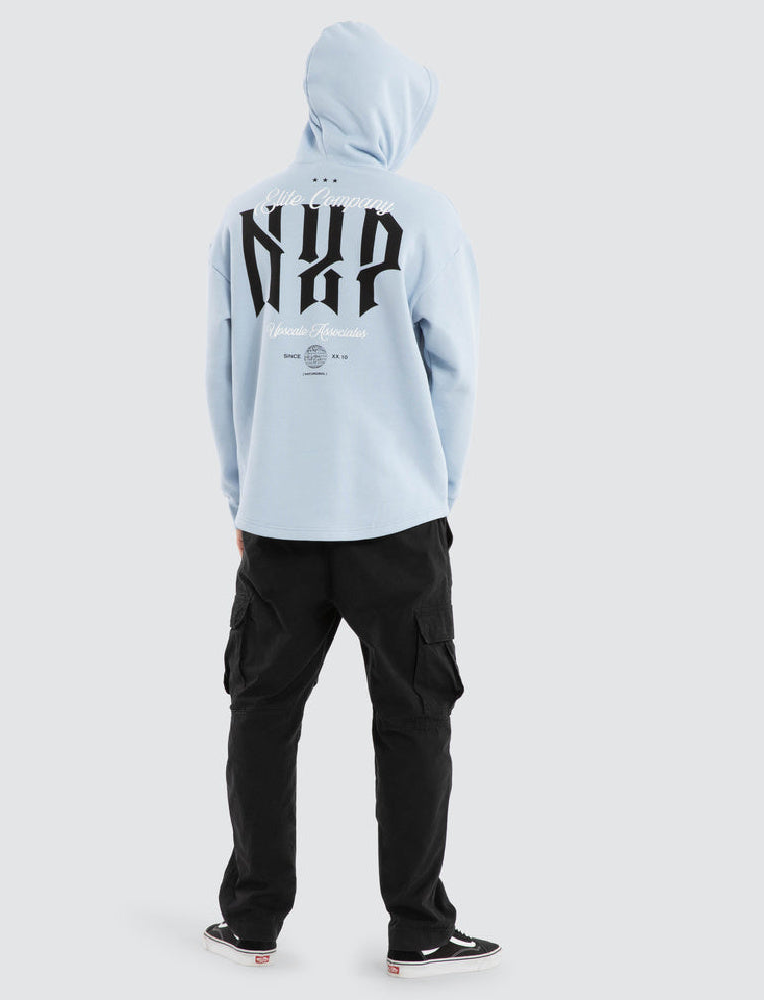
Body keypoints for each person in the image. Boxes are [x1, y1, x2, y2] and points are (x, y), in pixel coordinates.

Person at [202, 20, 501, 979]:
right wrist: (438, 493)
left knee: (262, 710)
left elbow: (224, 373)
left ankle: (251, 919)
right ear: (389, 106)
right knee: (414, 717)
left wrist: (242, 495)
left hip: (279, 518)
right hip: (397, 517)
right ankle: (418, 926)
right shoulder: (424, 215)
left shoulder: (244, 217)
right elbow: (457, 372)